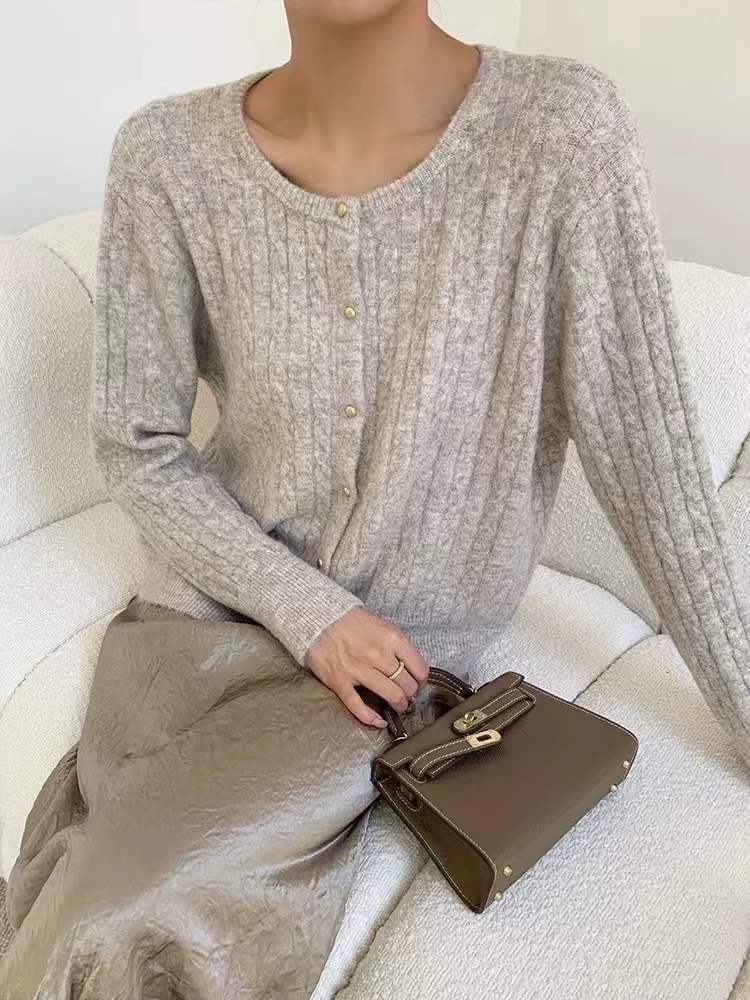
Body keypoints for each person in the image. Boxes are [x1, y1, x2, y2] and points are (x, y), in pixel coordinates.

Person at [2, 3, 750, 998]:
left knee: (119, 914)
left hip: (386, 677)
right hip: (200, 620)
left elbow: (654, 469)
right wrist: (312, 613)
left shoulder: (560, 134)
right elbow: (137, 446)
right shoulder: (167, 156)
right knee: (91, 895)